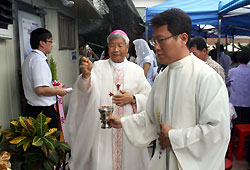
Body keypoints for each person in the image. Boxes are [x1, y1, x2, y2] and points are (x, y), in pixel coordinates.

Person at [108, 8, 230, 170]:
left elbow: (216, 131)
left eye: (161, 40)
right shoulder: (163, 77)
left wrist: (174, 137)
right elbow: (151, 118)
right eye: (154, 42)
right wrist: (122, 122)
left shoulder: (206, 77)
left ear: (183, 38)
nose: (156, 47)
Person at [64, 30, 151, 170]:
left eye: (120, 45)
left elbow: (148, 97)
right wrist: (86, 76)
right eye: (112, 45)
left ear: (127, 48)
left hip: (127, 127)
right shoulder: (97, 67)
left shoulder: (137, 71)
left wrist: (133, 98)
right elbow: (85, 90)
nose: (116, 49)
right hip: (102, 129)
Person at [22, 28, 68, 128]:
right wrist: (58, 92)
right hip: (43, 112)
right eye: (50, 41)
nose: (52, 44)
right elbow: (40, 89)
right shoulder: (38, 61)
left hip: (34, 109)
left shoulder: (30, 58)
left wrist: (56, 88)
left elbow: (43, 86)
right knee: (50, 142)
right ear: (42, 43)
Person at [227, 50, 250, 124]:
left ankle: (234, 133)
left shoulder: (232, 71)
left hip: (234, 102)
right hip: (248, 103)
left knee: (234, 121)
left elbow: (226, 83)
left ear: (238, 60)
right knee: (246, 121)